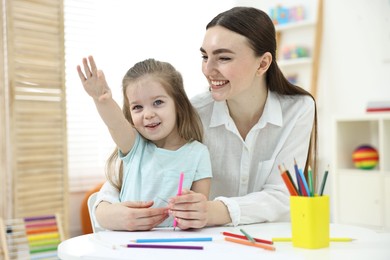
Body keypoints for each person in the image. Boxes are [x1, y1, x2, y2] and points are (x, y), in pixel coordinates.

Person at [91, 6, 317, 231]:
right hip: (209, 245)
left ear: (263, 63)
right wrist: (105, 212)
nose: (208, 69)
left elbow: (283, 193)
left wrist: (213, 211)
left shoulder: (298, 110)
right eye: (204, 56)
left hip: (274, 242)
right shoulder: (193, 111)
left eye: (224, 58)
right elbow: (139, 165)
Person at [77, 57, 212, 229]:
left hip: (176, 247)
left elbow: (200, 210)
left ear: (178, 104)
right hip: (128, 246)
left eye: (158, 102)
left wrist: (191, 210)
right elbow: (115, 123)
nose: (147, 114)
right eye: (137, 107)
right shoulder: (135, 146)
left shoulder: (198, 153)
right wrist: (101, 99)